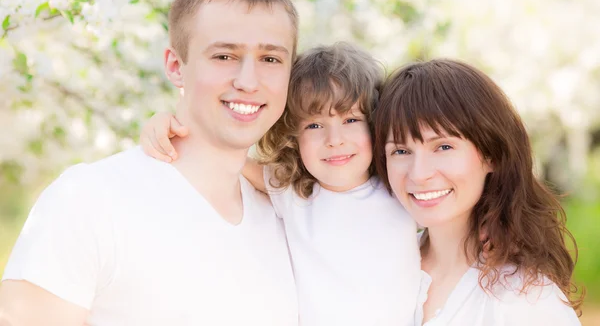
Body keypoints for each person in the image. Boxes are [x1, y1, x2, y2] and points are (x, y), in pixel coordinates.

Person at [0, 0, 299, 326]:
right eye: (224, 56)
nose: (248, 81)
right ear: (175, 66)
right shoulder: (89, 199)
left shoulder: (291, 216)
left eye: (270, 59)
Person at [141, 42, 422, 326]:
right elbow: (220, 152)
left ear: (374, 124)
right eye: (314, 125)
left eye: (351, 119)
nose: (334, 139)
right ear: (292, 137)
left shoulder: (400, 189)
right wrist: (165, 123)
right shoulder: (296, 193)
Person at [373, 59, 584, 325]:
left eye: (443, 147)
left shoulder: (525, 299)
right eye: (400, 151)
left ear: (491, 154)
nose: (419, 173)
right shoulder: (380, 267)